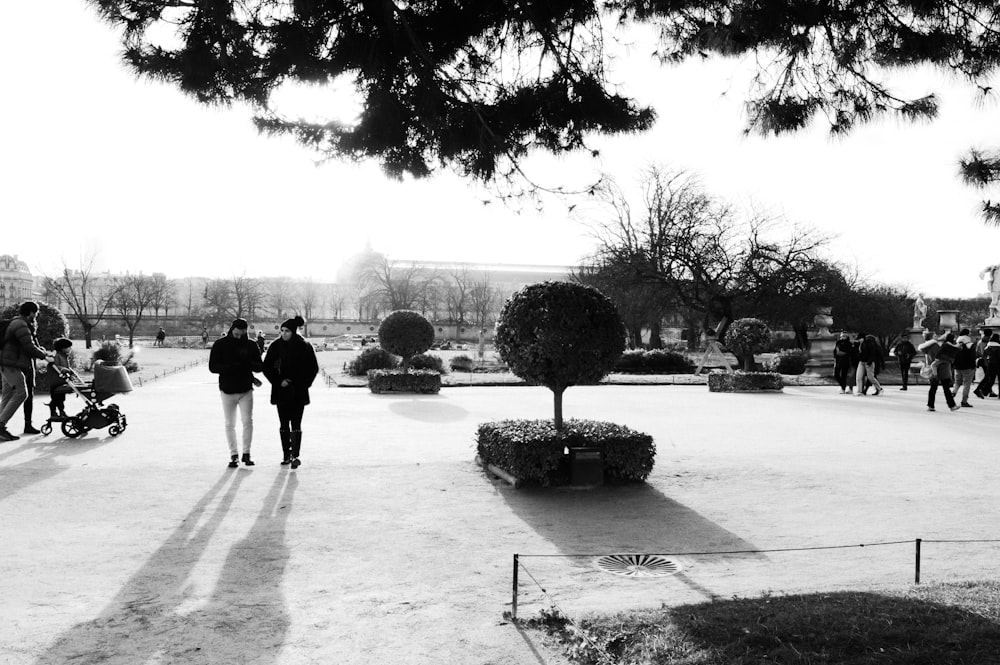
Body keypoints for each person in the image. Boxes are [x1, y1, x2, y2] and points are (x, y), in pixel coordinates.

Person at [263, 315, 318, 469]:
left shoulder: (305, 346)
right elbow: (267, 367)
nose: (284, 333)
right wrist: (279, 380)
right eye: (282, 331)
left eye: (287, 331)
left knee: (296, 423)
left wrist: (302, 384)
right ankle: (286, 454)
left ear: (294, 331)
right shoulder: (275, 346)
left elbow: (312, 368)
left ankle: (295, 454)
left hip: (298, 391)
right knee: (283, 423)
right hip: (281, 390)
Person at [208, 318, 264, 468]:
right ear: (232, 330)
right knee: (229, 423)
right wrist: (230, 367)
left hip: (245, 388)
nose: (239, 337)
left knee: (247, 421)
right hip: (227, 388)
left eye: (242, 334)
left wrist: (247, 364)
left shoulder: (251, 345)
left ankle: (246, 453)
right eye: (236, 334)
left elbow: (259, 366)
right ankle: (233, 454)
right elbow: (212, 367)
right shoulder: (220, 345)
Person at [0, 302, 55, 441]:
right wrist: (44, 357)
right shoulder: (21, 325)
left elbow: (31, 345)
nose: (36, 315)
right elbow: (29, 347)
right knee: (21, 393)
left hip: (6, 363)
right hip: (11, 364)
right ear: (31, 312)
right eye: (35, 313)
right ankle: (0, 426)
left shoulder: (18, 323)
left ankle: (0, 424)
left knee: (7, 395)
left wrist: (44, 353)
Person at [919, 331, 960, 412]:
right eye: (934, 335)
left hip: (932, 369)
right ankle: (952, 405)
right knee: (946, 388)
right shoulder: (934, 346)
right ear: (931, 337)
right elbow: (941, 357)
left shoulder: (926, 347)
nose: (936, 336)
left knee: (933, 388)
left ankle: (931, 405)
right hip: (941, 369)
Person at [46, 338, 73, 420]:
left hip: (61, 381)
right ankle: (54, 411)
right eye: (68, 347)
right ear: (63, 348)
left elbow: (67, 367)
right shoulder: (57, 356)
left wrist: (70, 371)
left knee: (61, 398)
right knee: (56, 398)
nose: (70, 349)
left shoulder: (65, 356)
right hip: (56, 381)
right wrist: (63, 369)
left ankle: (61, 411)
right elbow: (56, 366)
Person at [952, 329, 977, 407]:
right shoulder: (970, 344)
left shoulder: (956, 343)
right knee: (967, 384)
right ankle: (964, 401)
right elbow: (973, 357)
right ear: (968, 335)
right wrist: (974, 365)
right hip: (968, 367)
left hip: (957, 366)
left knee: (957, 382)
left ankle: (952, 394)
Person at [975, 334, 1000, 399]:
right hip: (997, 364)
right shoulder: (998, 347)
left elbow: (984, 356)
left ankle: (983, 391)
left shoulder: (987, 346)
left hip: (990, 364)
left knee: (991, 379)